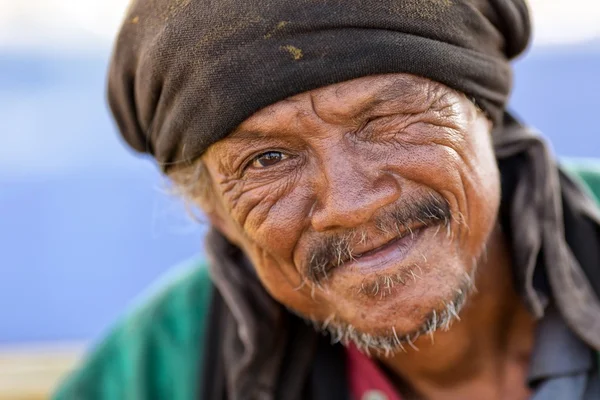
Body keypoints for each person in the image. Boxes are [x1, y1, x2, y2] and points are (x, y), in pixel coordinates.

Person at [54, 0, 600, 399]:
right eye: (268, 160)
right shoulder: (156, 369)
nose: (348, 203)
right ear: (215, 211)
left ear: (485, 114)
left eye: (387, 120)